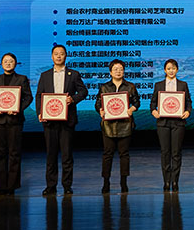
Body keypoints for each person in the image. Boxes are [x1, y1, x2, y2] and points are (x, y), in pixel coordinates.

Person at [36, 44, 88, 196]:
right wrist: (40, 112)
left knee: (67, 155)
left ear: (66, 56)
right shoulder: (44, 75)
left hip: (67, 120)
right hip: (50, 120)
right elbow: (39, 95)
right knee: (51, 155)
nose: (59, 56)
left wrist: (73, 99)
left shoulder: (74, 74)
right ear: (52, 56)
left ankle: (67, 186)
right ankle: (50, 186)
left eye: (62, 53)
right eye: (56, 54)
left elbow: (84, 91)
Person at [0, 52, 33, 196]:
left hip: (15, 121)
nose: (8, 63)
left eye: (11, 61)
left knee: (14, 153)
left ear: (15, 63)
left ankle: (12, 185)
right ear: (1, 64)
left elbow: (28, 97)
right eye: (5, 61)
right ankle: (1, 185)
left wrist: (18, 108)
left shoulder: (21, 79)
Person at [96, 59, 140, 194]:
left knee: (124, 155)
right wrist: (100, 111)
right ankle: (106, 182)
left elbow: (137, 102)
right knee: (107, 155)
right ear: (110, 72)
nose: (118, 71)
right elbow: (97, 104)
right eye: (115, 69)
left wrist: (131, 109)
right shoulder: (104, 87)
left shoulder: (130, 86)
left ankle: (123, 182)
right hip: (108, 126)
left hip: (125, 125)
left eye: (121, 69)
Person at [151, 59, 192, 191]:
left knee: (176, 152)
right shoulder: (158, 85)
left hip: (178, 123)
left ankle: (175, 181)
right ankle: (166, 181)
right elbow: (153, 103)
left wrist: (187, 111)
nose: (171, 71)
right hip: (163, 123)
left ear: (177, 70)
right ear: (165, 70)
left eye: (173, 68)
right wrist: (154, 111)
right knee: (165, 152)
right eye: (169, 68)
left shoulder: (183, 84)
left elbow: (188, 102)